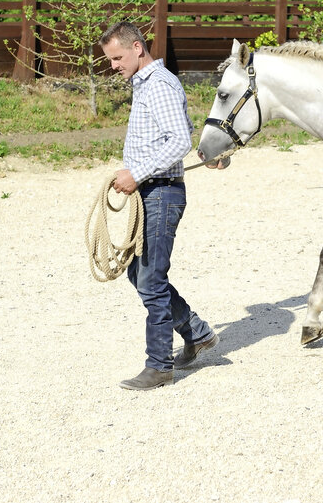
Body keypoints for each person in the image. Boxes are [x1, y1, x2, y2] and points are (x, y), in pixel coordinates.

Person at [99, 21, 219, 391]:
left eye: (117, 58)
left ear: (138, 48)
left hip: (161, 192)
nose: (114, 66)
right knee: (140, 275)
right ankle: (196, 334)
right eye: (111, 59)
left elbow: (179, 139)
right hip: (153, 190)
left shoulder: (161, 84)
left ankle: (159, 365)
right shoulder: (148, 84)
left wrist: (136, 173)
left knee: (150, 278)